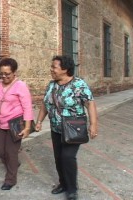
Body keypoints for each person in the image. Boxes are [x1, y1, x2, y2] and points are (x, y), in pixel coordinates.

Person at [35, 55, 98, 200]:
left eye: (54, 67)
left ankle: (72, 189)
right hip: (56, 128)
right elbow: (45, 104)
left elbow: (90, 103)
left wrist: (93, 125)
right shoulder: (51, 85)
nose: (51, 70)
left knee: (68, 157)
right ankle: (63, 183)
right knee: (58, 158)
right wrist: (39, 121)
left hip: (73, 128)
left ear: (65, 69)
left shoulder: (79, 85)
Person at [0, 58, 34, 190]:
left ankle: (10, 179)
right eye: (2, 73)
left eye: (7, 74)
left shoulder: (21, 86)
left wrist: (27, 127)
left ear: (14, 72)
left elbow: (27, 107)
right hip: (0, 122)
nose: (4, 76)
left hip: (15, 123)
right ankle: (14, 164)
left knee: (11, 152)